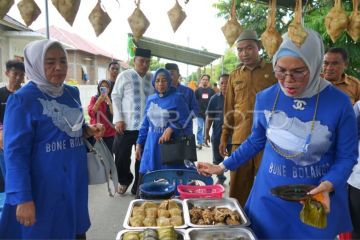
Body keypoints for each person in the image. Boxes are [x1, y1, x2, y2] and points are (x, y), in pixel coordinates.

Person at [197, 28, 357, 239]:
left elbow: (347, 156)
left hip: (315, 198)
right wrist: (222, 166)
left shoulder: (339, 103)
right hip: (270, 198)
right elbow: (256, 140)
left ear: (315, 64)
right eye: (280, 71)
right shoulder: (266, 98)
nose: (287, 80)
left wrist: (329, 184)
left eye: (298, 71)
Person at [0, 39, 105, 239]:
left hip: (73, 181)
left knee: (74, 230)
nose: (59, 67)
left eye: (63, 61)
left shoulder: (71, 93)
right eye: (49, 62)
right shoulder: (22, 100)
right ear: (36, 64)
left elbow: (69, 127)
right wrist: (23, 198)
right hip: (42, 189)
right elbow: (15, 153)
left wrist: (87, 130)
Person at [220, 29, 277, 207]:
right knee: (238, 188)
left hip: (268, 140)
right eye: (240, 49)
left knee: (267, 185)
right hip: (240, 138)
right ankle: (238, 223)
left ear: (258, 47)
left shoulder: (273, 70)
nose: (244, 53)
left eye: (249, 48)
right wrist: (224, 136)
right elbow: (229, 107)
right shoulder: (235, 75)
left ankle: (264, 224)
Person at [135, 68, 191, 192]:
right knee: (146, 183)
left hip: (168, 148)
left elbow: (186, 120)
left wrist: (172, 128)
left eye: (164, 80)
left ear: (169, 82)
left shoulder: (177, 98)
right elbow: (145, 124)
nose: (160, 84)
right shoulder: (151, 99)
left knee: (169, 185)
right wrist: (139, 144)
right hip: (151, 147)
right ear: (154, 83)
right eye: (158, 81)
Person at [111, 48, 153, 195]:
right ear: (134, 61)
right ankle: (124, 179)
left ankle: (138, 184)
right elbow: (115, 96)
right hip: (126, 124)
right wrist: (118, 119)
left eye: (148, 62)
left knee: (142, 158)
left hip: (145, 127)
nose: (145, 64)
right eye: (142, 61)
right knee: (121, 155)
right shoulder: (125, 75)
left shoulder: (151, 77)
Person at [0, 60, 25, 193]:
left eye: (21, 75)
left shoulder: (26, 95)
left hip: (23, 142)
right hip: (3, 144)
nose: (18, 78)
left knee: (22, 178)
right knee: (8, 178)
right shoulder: (1, 94)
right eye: (15, 74)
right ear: (7, 73)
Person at [204, 73, 231, 185]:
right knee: (217, 158)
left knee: (235, 158)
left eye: (227, 82)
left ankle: (234, 179)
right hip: (217, 134)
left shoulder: (237, 97)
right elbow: (209, 118)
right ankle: (221, 178)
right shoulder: (214, 99)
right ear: (219, 85)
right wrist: (206, 134)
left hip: (234, 135)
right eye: (222, 83)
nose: (224, 85)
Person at [165, 63, 199, 129]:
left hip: (184, 131)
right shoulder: (162, 92)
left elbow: (196, 110)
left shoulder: (188, 92)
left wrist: (184, 118)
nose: (169, 77)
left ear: (178, 76)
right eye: (167, 75)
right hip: (165, 131)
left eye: (172, 74)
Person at [88, 79, 116, 153]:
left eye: (106, 87)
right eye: (102, 86)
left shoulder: (112, 99)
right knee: (97, 157)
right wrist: (99, 100)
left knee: (109, 157)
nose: (104, 88)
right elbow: (91, 113)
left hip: (110, 133)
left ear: (109, 89)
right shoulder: (94, 98)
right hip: (97, 132)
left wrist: (109, 102)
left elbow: (115, 115)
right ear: (99, 88)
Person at [194, 74, 215, 149]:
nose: (205, 81)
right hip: (199, 112)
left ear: (208, 81)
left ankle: (204, 141)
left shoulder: (212, 91)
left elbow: (214, 102)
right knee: (200, 127)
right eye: (203, 79)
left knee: (207, 128)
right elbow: (194, 101)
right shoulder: (197, 91)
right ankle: (199, 143)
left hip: (208, 113)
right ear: (201, 80)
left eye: (206, 79)